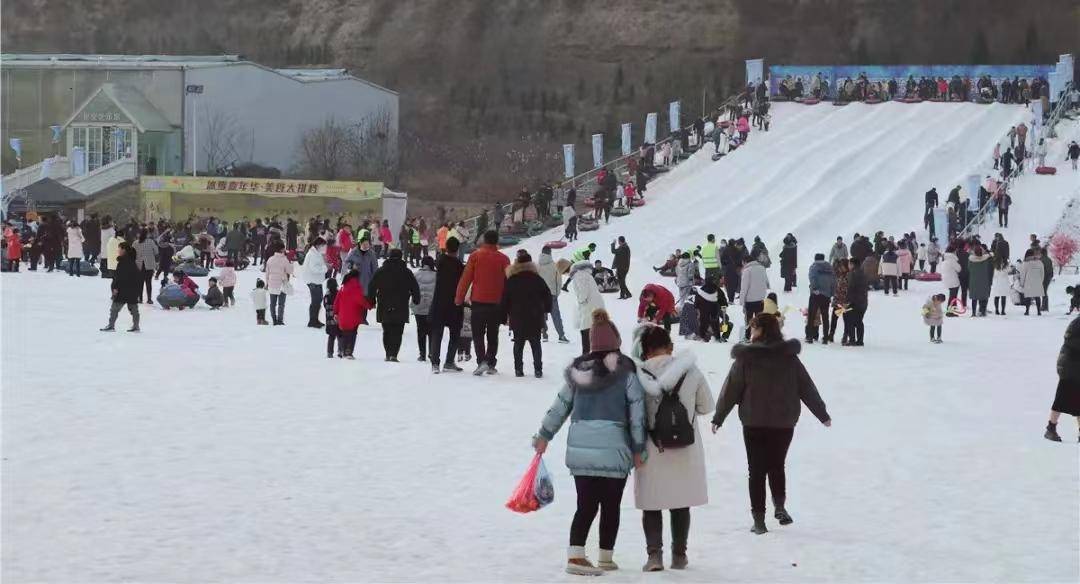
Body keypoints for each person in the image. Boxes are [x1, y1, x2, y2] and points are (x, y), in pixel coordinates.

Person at [532, 309, 646, 576]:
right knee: (611, 505)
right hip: (615, 447)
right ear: (616, 342)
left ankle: (576, 553)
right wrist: (639, 448)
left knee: (586, 504)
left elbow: (559, 406)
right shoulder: (627, 371)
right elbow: (637, 413)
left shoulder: (578, 373)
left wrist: (544, 436)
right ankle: (605, 557)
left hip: (581, 448)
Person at [711, 313, 831, 534]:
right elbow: (806, 387)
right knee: (777, 465)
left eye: (754, 328)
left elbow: (731, 390)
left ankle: (759, 520)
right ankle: (780, 506)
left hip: (754, 421)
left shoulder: (746, 358)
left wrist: (719, 417)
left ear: (762, 330)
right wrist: (822, 414)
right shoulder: (789, 358)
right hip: (784, 422)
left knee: (756, 470)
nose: (751, 332)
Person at [631, 325, 714, 571]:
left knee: (652, 503)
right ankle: (679, 555)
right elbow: (706, 406)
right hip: (685, 448)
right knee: (681, 502)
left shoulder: (638, 376)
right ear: (670, 346)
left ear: (645, 351)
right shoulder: (691, 371)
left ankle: (654, 556)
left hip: (652, 448)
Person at [455, 230, 511, 375]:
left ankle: (482, 362)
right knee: (493, 334)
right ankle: (491, 363)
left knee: (478, 334)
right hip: (496, 303)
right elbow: (509, 282)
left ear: (484, 240)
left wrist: (459, 298)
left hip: (478, 301)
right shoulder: (504, 259)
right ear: (497, 241)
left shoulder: (475, 256)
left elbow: (466, 278)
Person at [501, 251, 553, 377]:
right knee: (536, 343)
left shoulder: (512, 279)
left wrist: (504, 314)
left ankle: (518, 369)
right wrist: (546, 309)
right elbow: (548, 295)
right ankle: (538, 369)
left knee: (518, 343)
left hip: (517, 315)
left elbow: (505, 299)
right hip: (535, 315)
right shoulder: (537, 279)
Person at [366, 248, 420, 362]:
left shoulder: (381, 271)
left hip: (384, 304)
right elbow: (415, 287)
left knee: (387, 330)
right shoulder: (406, 272)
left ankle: (388, 353)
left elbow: (372, 286)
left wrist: (371, 300)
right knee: (398, 331)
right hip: (401, 305)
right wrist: (416, 299)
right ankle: (394, 354)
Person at [428, 237, 466, 373]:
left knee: (437, 333)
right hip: (455, 303)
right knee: (455, 333)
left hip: (439, 302)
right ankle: (449, 362)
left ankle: (435, 364)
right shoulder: (459, 266)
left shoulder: (440, 261)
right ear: (457, 250)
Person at [1045, 314, 1080, 442]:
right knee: (1061, 399)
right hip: (1070, 367)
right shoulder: (1077, 324)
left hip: (1071, 365)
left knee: (1075, 400)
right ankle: (1050, 429)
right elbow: (1073, 343)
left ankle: (1051, 428)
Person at [565, 259, 605, 355]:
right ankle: (594, 352)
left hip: (590, 306)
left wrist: (581, 300)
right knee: (593, 329)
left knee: (585, 330)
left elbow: (583, 292)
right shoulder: (583, 274)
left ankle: (586, 354)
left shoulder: (579, 275)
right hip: (594, 305)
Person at [100, 242, 142, 332]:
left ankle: (111, 326)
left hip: (123, 289)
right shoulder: (132, 261)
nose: (118, 250)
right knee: (134, 309)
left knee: (114, 308)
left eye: (119, 248)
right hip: (132, 290)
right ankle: (136, 326)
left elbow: (119, 277)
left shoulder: (123, 262)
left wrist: (115, 287)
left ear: (124, 250)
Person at [334, 270, 370, 359]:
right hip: (354, 316)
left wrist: (335, 312)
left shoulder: (343, 287)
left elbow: (336, 301)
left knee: (344, 333)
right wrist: (369, 305)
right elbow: (361, 300)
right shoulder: (356, 287)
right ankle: (348, 352)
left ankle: (343, 350)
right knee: (352, 334)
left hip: (342, 316)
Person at [538, 248, 570, 344]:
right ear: (550, 253)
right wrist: (557, 293)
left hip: (539, 294)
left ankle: (544, 335)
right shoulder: (554, 266)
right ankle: (561, 335)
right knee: (556, 315)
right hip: (551, 294)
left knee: (541, 315)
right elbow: (558, 281)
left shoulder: (537, 266)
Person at [806, 253, 835, 344]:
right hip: (826, 295)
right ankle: (825, 337)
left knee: (812, 315)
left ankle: (810, 336)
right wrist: (832, 293)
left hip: (816, 294)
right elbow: (834, 281)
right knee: (825, 316)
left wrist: (814, 288)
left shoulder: (814, 267)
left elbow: (812, 278)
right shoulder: (830, 267)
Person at [412, 256, 437, 362]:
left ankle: (422, 354)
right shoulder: (437, 276)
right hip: (432, 307)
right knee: (432, 331)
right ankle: (432, 352)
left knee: (421, 331)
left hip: (419, 306)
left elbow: (412, 290)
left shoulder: (416, 275)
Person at [739, 254, 769, 341]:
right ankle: (760, 337)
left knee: (749, 319)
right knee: (759, 319)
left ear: (745, 262)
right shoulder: (762, 268)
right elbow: (766, 282)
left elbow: (744, 287)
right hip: (760, 299)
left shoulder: (747, 270)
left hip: (750, 300)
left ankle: (747, 337)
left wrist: (742, 301)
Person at [302, 237, 329, 328]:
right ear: (318, 245)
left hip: (316, 280)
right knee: (316, 301)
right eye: (323, 245)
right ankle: (312, 321)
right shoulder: (313, 254)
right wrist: (325, 268)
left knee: (318, 300)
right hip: (312, 280)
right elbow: (314, 268)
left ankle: (315, 319)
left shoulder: (316, 253)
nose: (324, 248)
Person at [264, 243, 294, 325]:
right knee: (281, 304)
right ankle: (280, 320)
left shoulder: (270, 259)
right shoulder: (284, 259)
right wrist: (291, 263)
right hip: (281, 284)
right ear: (281, 250)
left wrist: (267, 283)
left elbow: (267, 273)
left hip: (272, 283)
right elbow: (290, 271)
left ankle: (274, 320)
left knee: (272, 304)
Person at [845, 257, 868, 345]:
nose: (848, 266)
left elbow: (850, 288)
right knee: (859, 321)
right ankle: (860, 340)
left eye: (849, 264)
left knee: (850, 320)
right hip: (863, 301)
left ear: (852, 264)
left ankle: (852, 340)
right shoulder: (863, 273)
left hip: (853, 301)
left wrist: (847, 301)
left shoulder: (852, 274)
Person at [967, 245, 992, 317]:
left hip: (973, 280)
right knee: (983, 296)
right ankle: (983, 311)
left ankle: (973, 313)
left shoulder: (971, 260)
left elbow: (969, 269)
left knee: (974, 298)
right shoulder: (985, 259)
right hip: (984, 280)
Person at [1019, 249, 1045, 316]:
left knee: (1028, 297)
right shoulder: (1039, 262)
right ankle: (1039, 311)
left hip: (1028, 282)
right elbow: (1042, 273)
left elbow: (1023, 274)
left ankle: (1027, 311)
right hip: (1037, 281)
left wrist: (1022, 283)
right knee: (1037, 297)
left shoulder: (1025, 263)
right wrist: (1041, 281)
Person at [323, 278, 341, 358]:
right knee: (340, 335)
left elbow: (325, 306)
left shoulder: (327, 295)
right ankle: (340, 350)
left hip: (329, 320)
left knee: (331, 336)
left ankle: (330, 352)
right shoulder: (339, 293)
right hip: (338, 318)